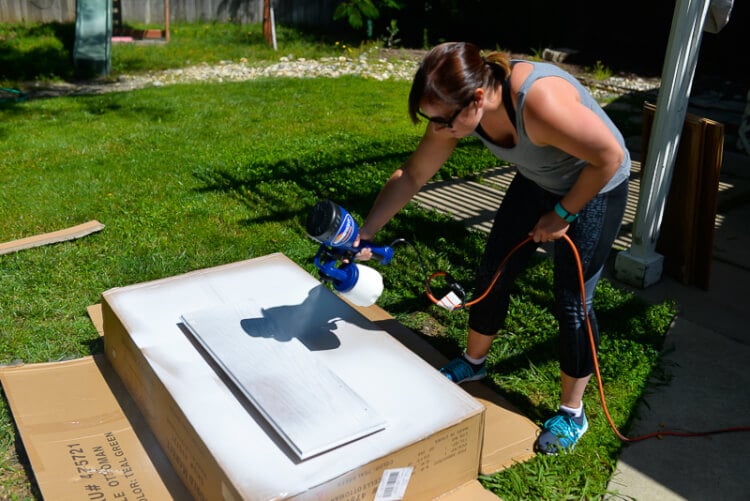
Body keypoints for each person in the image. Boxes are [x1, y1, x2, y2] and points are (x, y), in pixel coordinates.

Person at [354, 41, 630, 455]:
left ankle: (573, 413)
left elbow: (608, 156)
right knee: (493, 270)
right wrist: (366, 234)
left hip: (595, 186)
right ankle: (474, 362)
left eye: (443, 120)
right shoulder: (457, 112)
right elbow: (413, 174)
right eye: (432, 121)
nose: (439, 129)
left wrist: (563, 214)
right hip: (539, 179)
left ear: (477, 98)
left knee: (573, 299)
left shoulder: (538, 103)